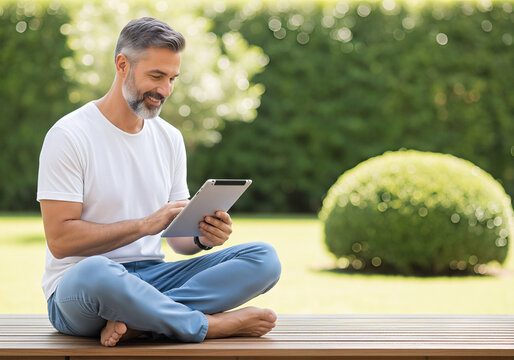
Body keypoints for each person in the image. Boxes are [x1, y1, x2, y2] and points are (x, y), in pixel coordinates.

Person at [37, 17, 281, 347]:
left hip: (154, 279)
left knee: (263, 259)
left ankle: (141, 322)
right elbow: (60, 240)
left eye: (172, 78)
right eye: (156, 76)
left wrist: (203, 238)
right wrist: (145, 225)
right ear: (122, 65)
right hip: (82, 290)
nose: (164, 90)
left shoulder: (169, 137)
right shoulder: (69, 135)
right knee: (96, 272)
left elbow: (178, 240)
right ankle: (206, 325)